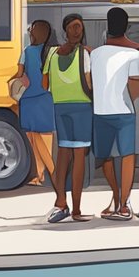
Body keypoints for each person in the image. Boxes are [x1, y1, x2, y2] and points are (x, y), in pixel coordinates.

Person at [91, 8, 139, 222]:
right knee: (127, 156)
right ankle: (124, 203)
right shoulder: (135, 54)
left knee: (105, 157)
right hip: (125, 111)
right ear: (127, 26)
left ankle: (115, 195)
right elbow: (135, 86)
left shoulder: (95, 53)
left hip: (100, 110)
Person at [44, 14, 94, 223]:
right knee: (79, 156)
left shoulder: (52, 53)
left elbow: (44, 84)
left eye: (79, 27)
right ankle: (76, 210)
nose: (77, 31)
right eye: (74, 27)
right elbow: (89, 83)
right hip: (81, 107)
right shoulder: (85, 54)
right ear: (66, 30)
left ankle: (60, 201)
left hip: (59, 106)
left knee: (63, 155)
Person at [14, 19, 57, 187]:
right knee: (45, 138)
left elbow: (19, 73)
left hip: (28, 100)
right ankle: (44, 173)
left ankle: (40, 174)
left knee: (32, 140)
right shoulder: (53, 52)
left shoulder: (27, 51)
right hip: (46, 98)